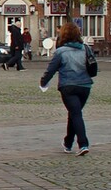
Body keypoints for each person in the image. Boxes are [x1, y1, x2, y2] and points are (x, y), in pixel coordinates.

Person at [39, 21, 93, 155]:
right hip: (85, 85)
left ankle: (83, 143)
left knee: (75, 114)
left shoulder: (60, 52)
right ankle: (68, 143)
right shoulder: (86, 48)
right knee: (74, 113)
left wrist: (43, 82)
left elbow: (51, 70)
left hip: (68, 86)